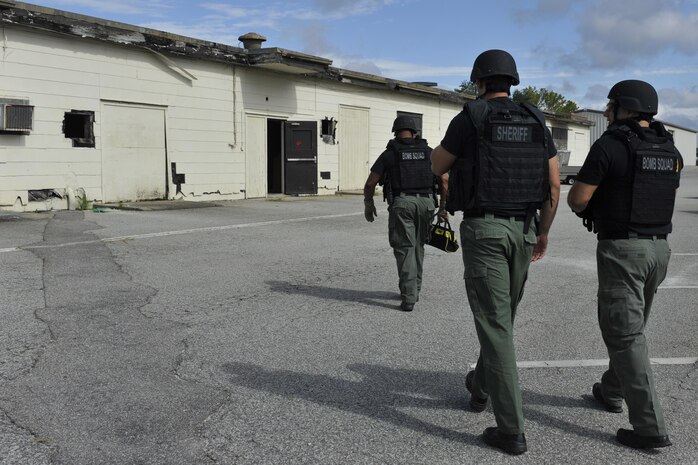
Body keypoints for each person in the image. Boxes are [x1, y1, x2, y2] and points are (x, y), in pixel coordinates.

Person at [431, 49, 560, 455]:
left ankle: (511, 431)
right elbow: (554, 187)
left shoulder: (470, 117)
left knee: (494, 324)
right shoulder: (537, 119)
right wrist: (542, 233)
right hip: (524, 228)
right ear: (513, 82)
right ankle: (481, 387)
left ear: (479, 82)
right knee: (502, 319)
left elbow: (434, 166)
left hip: (485, 228)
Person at [568, 79, 682, 450]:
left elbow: (578, 199)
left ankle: (649, 426)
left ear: (626, 109)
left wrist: (594, 206)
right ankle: (611, 389)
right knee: (631, 327)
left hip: (623, 251)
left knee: (624, 333)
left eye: (611, 105)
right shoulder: (669, 149)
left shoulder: (611, 145)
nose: (606, 111)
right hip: (660, 251)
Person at [364, 116, 446, 312]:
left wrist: (369, 204)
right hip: (427, 203)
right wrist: (443, 207)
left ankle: (409, 296)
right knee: (418, 245)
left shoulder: (389, 154)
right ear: (415, 131)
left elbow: (370, 183)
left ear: (395, 131)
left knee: (404, 248)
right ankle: (414, 288)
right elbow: (444, 181)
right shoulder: (429, 152)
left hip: (402, 203)